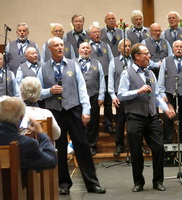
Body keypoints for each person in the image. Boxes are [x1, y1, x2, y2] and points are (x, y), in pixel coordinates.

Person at [37, 37, 106, 195]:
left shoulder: (73, 65)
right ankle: (64, 183)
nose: (61, 47)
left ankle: (92, 183)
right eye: (56, 45)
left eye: (62, 45)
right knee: (59, 148)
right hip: (54, 112)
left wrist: (86, 110)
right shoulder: (43, 68)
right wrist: (49, 91)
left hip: (73, 109)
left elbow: (82, 89)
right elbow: (38, 93)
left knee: (82, 146)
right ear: (50, 49)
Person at [118, 43, 175, 192]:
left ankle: (158, 181)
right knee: (136, 151)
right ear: (137, 56)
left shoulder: (151, 74)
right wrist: (138, 91)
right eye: (146, 54)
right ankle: (138, 182)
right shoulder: (127, 73)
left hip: (151, 116)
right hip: (135, 117)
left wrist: (165, 108)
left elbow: (155, 95)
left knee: (159, 148)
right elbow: (121, 94)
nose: (149, 56)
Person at [0, 96, 57, 171]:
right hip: (17, 182)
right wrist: (41, 134)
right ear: (21, 117)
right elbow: (51, 161)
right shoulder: (26, 144)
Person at [158, 40, 182, 144]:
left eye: (181, 47)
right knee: (168, 119)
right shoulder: (166, 61)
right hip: (169, 93)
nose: (179, 49)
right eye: (177, 47)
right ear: (173, 48)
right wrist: (162, 94)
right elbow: (161, 79)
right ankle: (168, 143)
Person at [75, 42, 105, 155]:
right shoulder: (72, 63)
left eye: (88, 48)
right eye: (83, 48)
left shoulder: (96, 63)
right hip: (77, 98)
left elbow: (101, 80)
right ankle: (80, 146)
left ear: (91, 50)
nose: (85, 50)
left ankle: (92, 145)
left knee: (93, 122)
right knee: (78, 122)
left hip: (93, 96)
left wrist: (101, 95)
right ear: (79, 50)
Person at [88, 24, 115, 134]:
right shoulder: (87, 47)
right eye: (94, 32)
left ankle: (108, 124)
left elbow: (111, 60)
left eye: (98, 32)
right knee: (95, 102)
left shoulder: (105, 45)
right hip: (94, 78)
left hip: (106, 76)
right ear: (89, 35)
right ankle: (94, 125)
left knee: (108, 102)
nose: (97, 34)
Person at [108, 39, 133, 156]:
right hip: (120, 97)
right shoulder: (114, 62)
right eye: (124, 46)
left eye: (129, 46)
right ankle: (119, 145)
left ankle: (135, 145)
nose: (127, 48)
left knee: (134, 123)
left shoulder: (135, 61)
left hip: (134, 96)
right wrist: (113, 96)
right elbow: (111, 82)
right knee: (120, 122)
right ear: (119, 49)